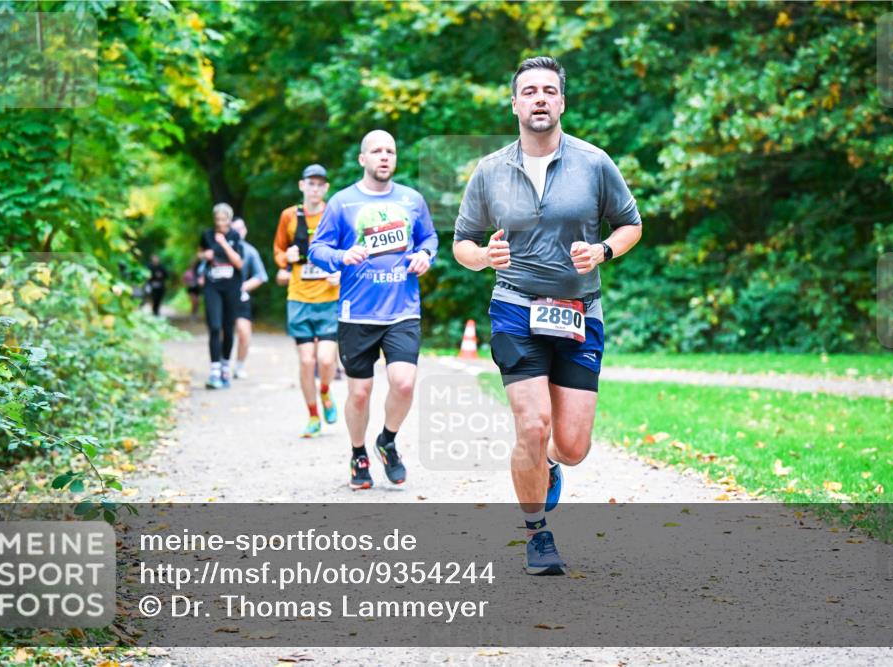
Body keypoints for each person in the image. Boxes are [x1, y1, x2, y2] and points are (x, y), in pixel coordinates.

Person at [452, 57, 642, 575]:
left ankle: (553, 466)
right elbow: (462, 243)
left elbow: (631, 224)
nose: (539, 98)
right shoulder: (491, 170)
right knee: (532, 426)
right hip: (515, 306)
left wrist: (603, 251)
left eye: (549, 91)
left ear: (561, 102)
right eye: (529, 91)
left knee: (573, 446)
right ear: (514, 103)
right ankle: (537, 533)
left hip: (580, 312)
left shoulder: (594, 162)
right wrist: (484, 258)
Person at [309, 131, 438, 489]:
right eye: (376, 151)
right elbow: (317, 248)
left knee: (404, 382)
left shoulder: (412, 200)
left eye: (390, 151)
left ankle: (388, 441)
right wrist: (340, 256)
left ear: (395, 159)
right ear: (363, 159)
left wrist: (425, 255)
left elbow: (429, 238)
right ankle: (358, 453)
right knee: (360, 393)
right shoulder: (342, 203)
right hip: (357, 313)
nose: (384, 156)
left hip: (402, 309)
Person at [274, 164, 341, 438]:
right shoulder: (289, 216)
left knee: (325, 361)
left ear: (326, 188)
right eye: (310, 184)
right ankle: (313, 415)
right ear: (302, 186)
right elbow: (278, 251)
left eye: (320, 184)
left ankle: (325, 391)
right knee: (305, 360)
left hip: (328, 299)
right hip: (299, 298)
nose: (315, 189)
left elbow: (348, 249)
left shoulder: (333, 215)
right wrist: (284, 259)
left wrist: (340, 272)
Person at [198, 203, 244, 389]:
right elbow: (199, 253)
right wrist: (204, 255)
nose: (221, 223)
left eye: (224, 219)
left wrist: (224, 244)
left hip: (232, 287)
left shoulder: (234, 236)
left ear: (230, 219)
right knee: (215, 327)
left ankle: (225, 366)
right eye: (218, 219)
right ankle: (214, 369)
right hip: (212, 286)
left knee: (228, 327)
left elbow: (239, 263)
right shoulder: (207, 235)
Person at [230, 218, 269, 379]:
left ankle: (239, 365)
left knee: (244, 332)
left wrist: (244, 286)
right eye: (235, 229)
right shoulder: (221, 248)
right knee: (222, 333)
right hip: (222, 298)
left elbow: (261, 276)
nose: (239, 232)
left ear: (245, 230)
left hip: (241, 297)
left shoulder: (250, 251)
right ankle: (221, 364)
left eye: (241, 228)